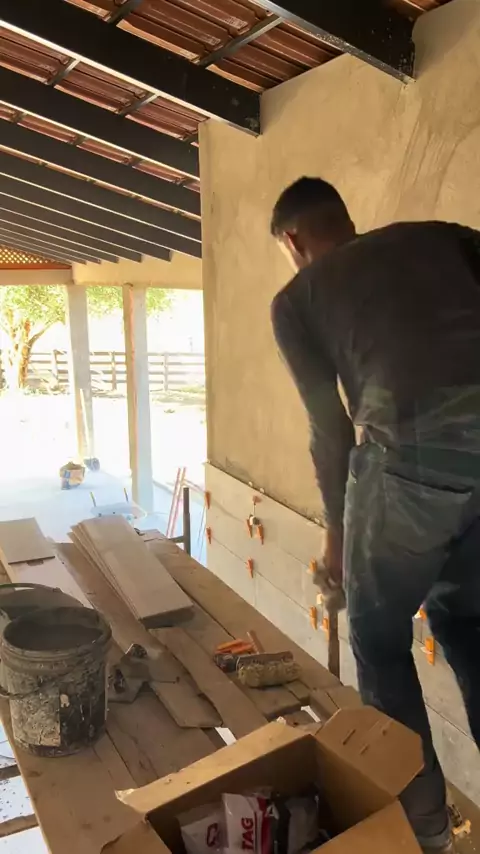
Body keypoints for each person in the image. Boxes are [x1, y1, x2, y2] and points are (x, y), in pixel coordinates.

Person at [270, 176, 480, 854]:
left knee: (379, 638)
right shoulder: (446, 239)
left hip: (410, 465)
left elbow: (330, 429)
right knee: (469, 622)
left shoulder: (296, 299)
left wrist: (337, 538)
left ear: (292, 240)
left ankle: (424, 835)